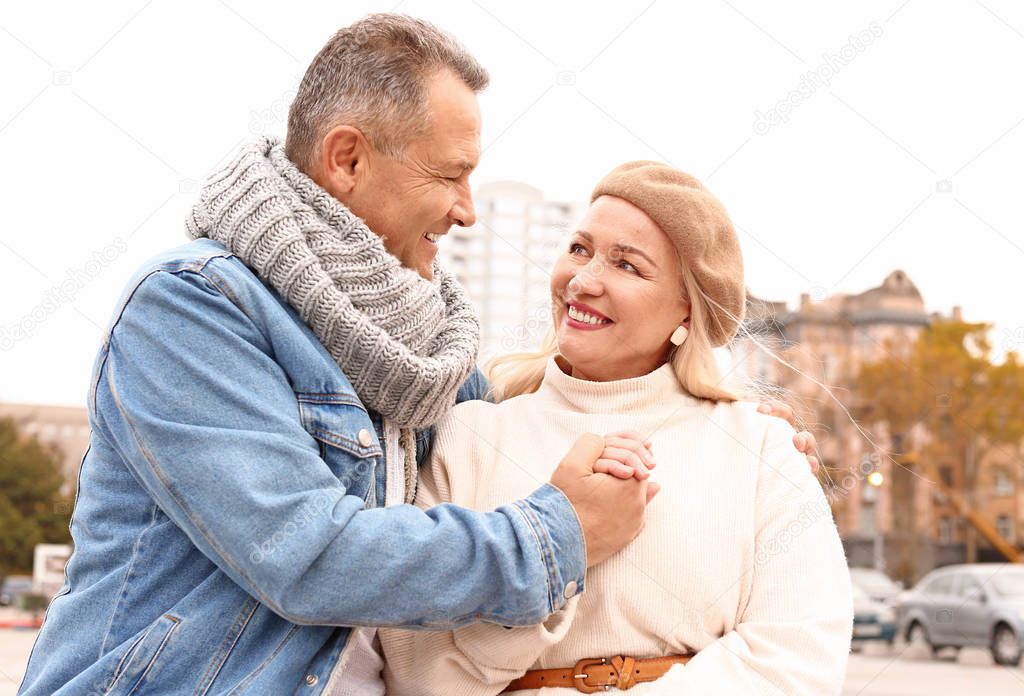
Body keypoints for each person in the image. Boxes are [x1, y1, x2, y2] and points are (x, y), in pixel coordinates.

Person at [18, 15, 820, 696]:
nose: (467, 211)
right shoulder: (193, 310)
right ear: (348, 159)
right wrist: (560, 533)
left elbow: (536, 415)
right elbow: (307, 556)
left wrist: (722, 435)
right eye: (451, 175)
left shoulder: (422, 357)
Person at [379, 162, 854, 695]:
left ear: (687, 312)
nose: (582, 281)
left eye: (627, 265)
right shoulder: (466, 436)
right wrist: (562, 549)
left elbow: (798, 663)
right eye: (579, 249)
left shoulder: (763, 448)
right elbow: (415, 671)